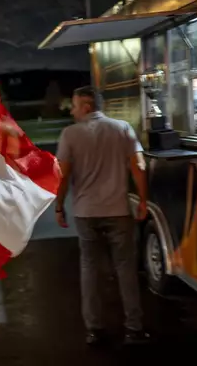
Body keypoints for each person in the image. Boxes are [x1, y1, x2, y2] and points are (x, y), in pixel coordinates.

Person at [54, 86, 149, 345]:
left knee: (90, 268)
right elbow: (139, 166)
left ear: (85, 106)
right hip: (118, 210)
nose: (72, 111)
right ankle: (134, 329)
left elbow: (62, 175)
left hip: (85, 213)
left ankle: (94, 330)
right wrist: (142, 200)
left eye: (73, 106)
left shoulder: (70, 134)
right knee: (125, 268)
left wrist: (60, 206)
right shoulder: (123, 128)